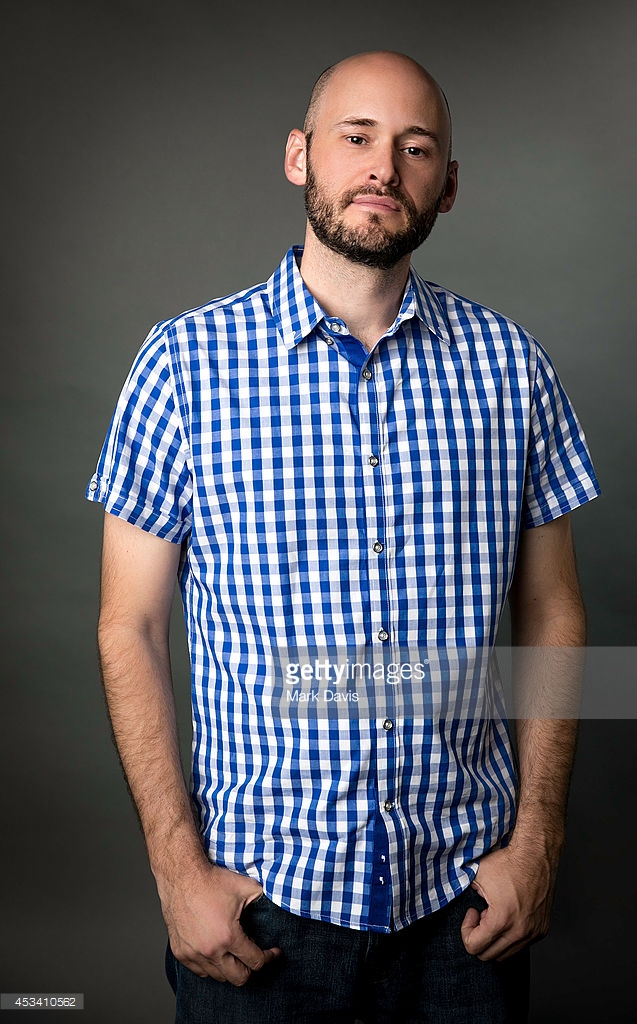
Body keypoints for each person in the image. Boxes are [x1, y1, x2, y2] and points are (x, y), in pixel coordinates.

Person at [87, 51, 600, 1023]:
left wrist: (537, 838)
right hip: (257, 908)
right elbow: (131, 628)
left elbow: (549, 608)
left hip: (461, 913)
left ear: (445, 186)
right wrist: (174, 868)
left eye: (414, 148)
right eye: (355, 138)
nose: (382, 167)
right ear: (299, 156)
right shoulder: (182, 367)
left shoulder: (508, 367)